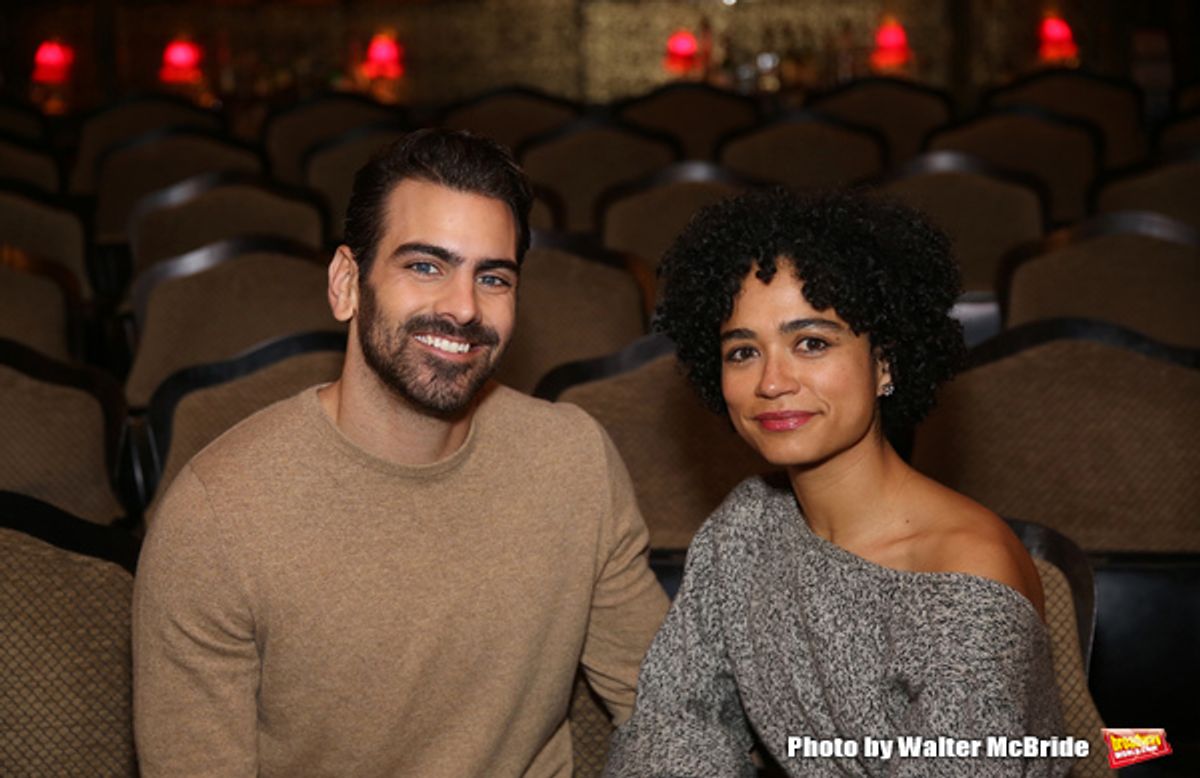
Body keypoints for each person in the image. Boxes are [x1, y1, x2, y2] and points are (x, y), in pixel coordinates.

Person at [133, 128, 669, 777]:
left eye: (493, 277)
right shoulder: (218, 516)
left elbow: (671, 707)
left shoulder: (573, 458)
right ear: (346, 284)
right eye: (425, 266)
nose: (464, 308)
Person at [604, 188, 1067, 777]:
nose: (772, 381)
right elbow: (676, 722)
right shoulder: (746, 527)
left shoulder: (966, 577)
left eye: (812, 343)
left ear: (885, 363)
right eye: (743, 352)